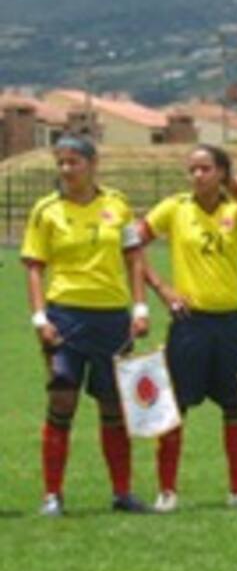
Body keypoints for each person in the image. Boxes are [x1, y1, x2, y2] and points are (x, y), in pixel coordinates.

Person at [140, 145, 237, 512]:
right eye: (192, 169)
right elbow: (131, 242)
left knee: (236, 406)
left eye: (205, 168)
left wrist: (236, 180)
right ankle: (167, 491)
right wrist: (163, 289)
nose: (197, 175)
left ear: (222, 173)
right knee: (176, 409)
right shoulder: (175, 208)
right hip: (190, 324)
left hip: (230, 323)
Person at [22, 136, 150, 516]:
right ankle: (52, 495)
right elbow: (34, 267)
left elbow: (134, 257)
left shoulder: (117, 204)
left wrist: (140, 307)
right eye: (60, 162)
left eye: (73, 162)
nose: (66, 169)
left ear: (93, 164)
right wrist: (39, 317)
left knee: (113, 405)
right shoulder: (46, 210)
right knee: (62, 399)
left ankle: (122, 492)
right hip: (66, 317)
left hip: (112, 318)